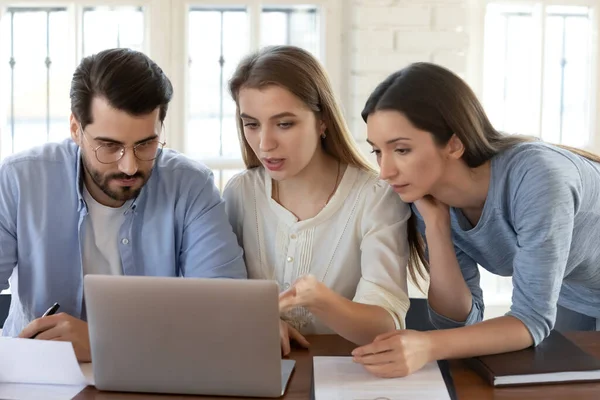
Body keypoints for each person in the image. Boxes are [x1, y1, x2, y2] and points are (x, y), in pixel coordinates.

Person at [352, 62, 600, 378]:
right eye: (377, 151)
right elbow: (458, 322)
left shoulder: (538, 178)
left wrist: (427, 346)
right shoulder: (425, 195)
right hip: (576, 289)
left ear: (454, 143)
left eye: (401, 149)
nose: (385, 171)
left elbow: (530, 320)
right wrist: (438, 227)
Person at [0, 48, 247, 361]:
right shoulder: (20, 179)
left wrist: (101, 343)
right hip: (37, 373)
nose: (130, 166)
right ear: (76, 129)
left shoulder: (190, 185)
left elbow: (228, 311)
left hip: (153, 373)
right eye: (109, 146)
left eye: (146, 144)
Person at [223, 45, 411, 356]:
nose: (265, 143)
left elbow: (385, 326)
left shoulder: (375, 198)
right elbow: (220, 299)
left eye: (284, 124)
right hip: (255, 366)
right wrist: (258, 320)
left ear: (322, 121)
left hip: (344, 375)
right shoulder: (240, 193)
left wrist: (321, 300)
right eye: (252, 124)